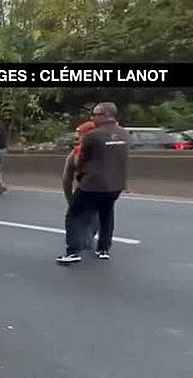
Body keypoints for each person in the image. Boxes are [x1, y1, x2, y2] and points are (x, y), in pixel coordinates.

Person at [57, 102, 129, 264]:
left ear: (106, 115)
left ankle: (73, 251)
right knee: (107, 214)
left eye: (95, 114)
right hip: (116, 185)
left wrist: (81, 175)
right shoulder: (125, 134)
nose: (92, 117)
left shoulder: (92, 136)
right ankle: (103, 249)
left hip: (92, 184)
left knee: (74, 215)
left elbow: (81, 162)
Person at [62, 121, 99, 251]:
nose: (78, 137)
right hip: (105, 189)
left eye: (80, 134)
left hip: (85, 189)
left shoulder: (77, 151)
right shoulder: (107, 150)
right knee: (97, 213)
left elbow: (67, 178)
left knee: (74, 216)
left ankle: (75, 246)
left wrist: (70, 200)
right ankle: (91, 238)